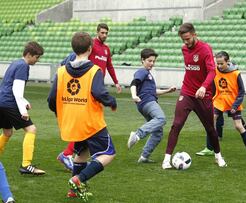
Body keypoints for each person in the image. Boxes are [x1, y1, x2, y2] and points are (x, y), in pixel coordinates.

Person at [48, 32, 117, 201]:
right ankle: (79, 179)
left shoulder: (62, 71)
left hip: (72, 122)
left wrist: (60, 113)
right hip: (91, 122)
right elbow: (99, 92)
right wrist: (111, 101)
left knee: (81, 154)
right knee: (109, 153)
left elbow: (51, 99)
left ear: (73, 49)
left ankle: (73, 191)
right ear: (90, 49)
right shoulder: (94, 70)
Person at [56, 23, 122, 171]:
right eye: (102, 32)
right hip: (85, 87)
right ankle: (68, 155)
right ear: (97, 32)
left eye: (106, 33)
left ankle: (69, 156)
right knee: (87, 124)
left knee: (85, 126)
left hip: (96, 87)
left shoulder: (106, 49)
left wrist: (116, 82)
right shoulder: (90, 46)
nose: (104, 35)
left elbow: (109, 66)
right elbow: (72, 59)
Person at [161, 23, 227, 169]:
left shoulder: (205, 49)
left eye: (188, 39)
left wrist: (203, 87)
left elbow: (212, 71)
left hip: (203, 95)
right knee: (176, 124)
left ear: (194, 34)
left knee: (210, 128)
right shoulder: (184, 49)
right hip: (187, 92)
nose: (186, 42)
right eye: (183, 39)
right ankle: (166, 159)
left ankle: (218, 156)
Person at [195, 51, 246, 158]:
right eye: (217, 63)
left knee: (238, 126)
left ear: (227, 62)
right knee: (210, 121)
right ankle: (209, 148)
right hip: (219, 101)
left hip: (233, 102)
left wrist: (235, 105)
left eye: (221, 63)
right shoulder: (215, 71)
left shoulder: (236, 73)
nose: (219, 66)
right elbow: (213, 86)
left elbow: (242, 91)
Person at [0, 41, 45, 175]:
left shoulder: (15, 62)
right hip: (9, 103)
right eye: (37, 57)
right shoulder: (23, 66)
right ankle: (26, 165)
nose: (37, 60)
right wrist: (23, 110)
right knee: (31, 129)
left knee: (7, 132)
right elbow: (17, 90)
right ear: (29, 55)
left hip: (2, 101)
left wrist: (24, 101)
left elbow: (9, 86)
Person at [127, 48, 176, 163]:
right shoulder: (142, 71)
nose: (152, 63)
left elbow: (153, 91)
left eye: (153, 61)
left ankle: (144, 157)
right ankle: (137, 134)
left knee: (158, 133)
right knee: (161, 118)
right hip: (147, 102)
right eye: (149, 61)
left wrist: (167, 91)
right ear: (142, 60)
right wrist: (134, 95)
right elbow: (133, 83)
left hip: (146, 103)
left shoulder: (148, 75)